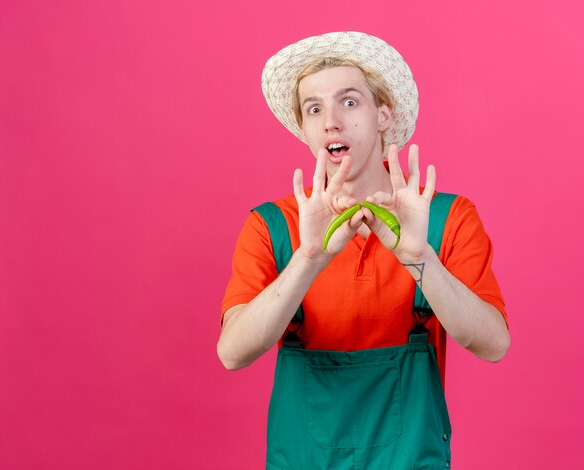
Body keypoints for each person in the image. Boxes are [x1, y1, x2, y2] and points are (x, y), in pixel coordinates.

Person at [218, 31, 510, 469]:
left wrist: (419, 258)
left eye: (349, 102)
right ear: (306, 128)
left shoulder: (445, 217)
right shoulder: (272, 226)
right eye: (314, 108)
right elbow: (232, 353)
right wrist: (308, 260)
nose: (331, 121)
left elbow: (493, 344)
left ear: (383, 114)